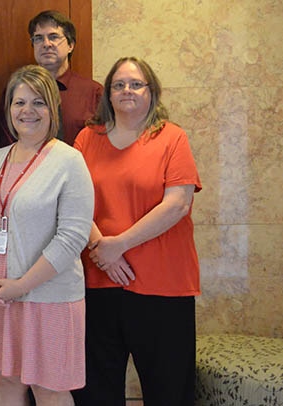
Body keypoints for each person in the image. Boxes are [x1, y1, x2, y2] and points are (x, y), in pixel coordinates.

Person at [0, 65, 93, 406]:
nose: (27, 112)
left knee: (50, 391)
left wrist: (20, 286)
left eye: (38, 103)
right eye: (19, 103)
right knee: (5, 386)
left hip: (48, 298)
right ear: (8, 109)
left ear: (53, 109)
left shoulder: (69, 161)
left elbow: (72, 238)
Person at [71, 57, 201, 406]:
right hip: (97, 284)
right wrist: (102, 250)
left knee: (168, 390)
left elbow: (177, 204)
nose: (127, 90)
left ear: (151, 91)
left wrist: (119, 245)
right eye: (119, 84)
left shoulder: (172, 138)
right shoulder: (86, 138)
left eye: (136, 84)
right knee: (95, 391)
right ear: (108, 94)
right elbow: (72, 201)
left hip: (163, 286)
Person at [0, 10, 102, 147]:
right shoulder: (17, 91)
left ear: (70, 45)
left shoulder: (94, 93)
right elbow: (7, 143)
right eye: (39, 38)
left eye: (53, 37)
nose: (46, 44)